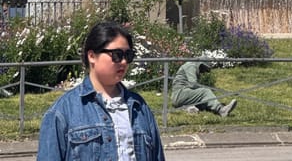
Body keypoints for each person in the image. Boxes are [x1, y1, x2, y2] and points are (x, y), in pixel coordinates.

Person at [37, 20, 165, 161]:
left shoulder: (139, 107)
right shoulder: (63, 111)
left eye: (128, 55)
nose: (123, 62)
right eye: (117, 55)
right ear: (92, 56)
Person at [171, 60, 238, 117]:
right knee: (205, 92)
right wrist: (207, 89)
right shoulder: (191, 65)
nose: (204, 72)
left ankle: (188, 108)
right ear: (201, 64)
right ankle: (221, 110)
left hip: (183, 95)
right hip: (180, 94)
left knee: (205, 102)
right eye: (205, 69)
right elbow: (193, 84)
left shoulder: (194, 67)